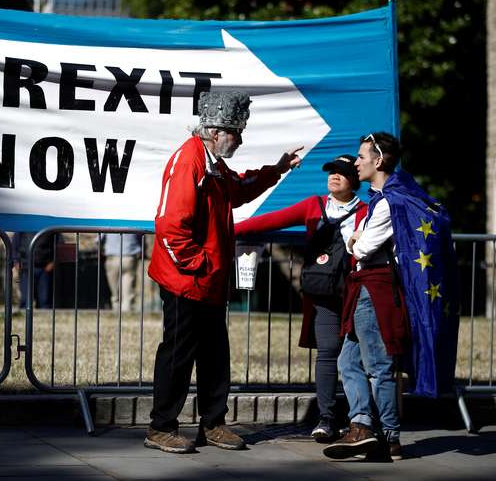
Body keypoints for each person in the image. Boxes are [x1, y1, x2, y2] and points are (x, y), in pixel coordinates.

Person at [145, 90, 303, 454]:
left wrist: (274, 171)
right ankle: (160, 427)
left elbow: (238, 189)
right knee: (178, 354)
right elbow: (171, 227)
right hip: (188, 281)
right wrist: (199, 264)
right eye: (236, 132)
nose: (240, 139)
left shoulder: (211, 164)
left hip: (208, 280)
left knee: (215, 354)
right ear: (215, 132)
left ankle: (213, 423)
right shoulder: (190, 162)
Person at [234, 154, 368, 442]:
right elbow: (269, 221)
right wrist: (227, 231)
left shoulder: (368, 211)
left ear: (354, 180)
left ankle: (363, 422)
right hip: (323, 295)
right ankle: (327, 418)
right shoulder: (314, 205)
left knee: (360, 359)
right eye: (331, 171)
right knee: (328, 354)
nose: (334, 176)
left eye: (342, 172)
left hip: (357, 294)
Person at [322, 132, 409, 461]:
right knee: (348, 360)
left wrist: (355, 239)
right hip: (365, 286)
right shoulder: (379, 199)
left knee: (378, 364)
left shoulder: (389, 201)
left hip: (376, 286)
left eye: (361, 157)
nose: (355, 163)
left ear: (379, 161)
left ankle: (389, 436)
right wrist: (357, 237)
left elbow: (365, 247)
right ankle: (361, 425)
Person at [12, 231, 55, 309]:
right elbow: (15, 244)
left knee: (44, 300)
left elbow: (58, 243)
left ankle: (44, 319)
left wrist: (53, 262)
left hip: (44, 268)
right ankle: (24, 319)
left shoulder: (49, 225)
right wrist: (16, 261)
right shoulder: (23, 225)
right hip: (25, 268)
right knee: (25, 299)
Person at [102, 233, 142, 312]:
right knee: (128, 294)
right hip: (129, 256)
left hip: (112, 257)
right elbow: (141, 237)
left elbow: (99, 239)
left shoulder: (108, 221)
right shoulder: (134, 221)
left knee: (115, 295)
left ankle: (116, 317)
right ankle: (126, 318)